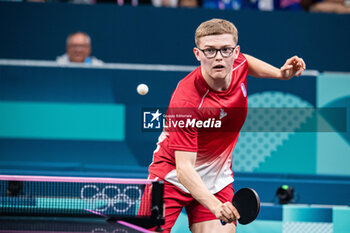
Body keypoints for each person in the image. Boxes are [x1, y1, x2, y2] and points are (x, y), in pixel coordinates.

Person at [140, 18, 305, 233]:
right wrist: (216, 206)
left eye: (225, 50)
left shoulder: (238, 64)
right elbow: (185, 169)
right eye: (209, 51)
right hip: (171, 176)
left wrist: (280, 74)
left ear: (235, 52)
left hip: (216, 179)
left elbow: (247, 62)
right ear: (197, 54)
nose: (218, 57)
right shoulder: (186, 102)